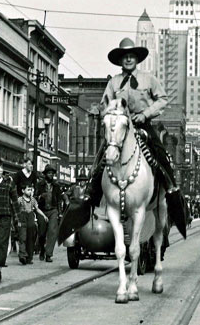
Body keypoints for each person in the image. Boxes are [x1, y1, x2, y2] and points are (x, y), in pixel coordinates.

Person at [60, 38, 187, 244]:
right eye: (124, 57)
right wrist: (109, 116)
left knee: (161, 156)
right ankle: (90, 192)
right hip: (119, 128)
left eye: (131, 56)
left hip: (142, 125)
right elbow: (103, 105)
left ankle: (170, 191)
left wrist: (145, 114)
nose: (128, 59)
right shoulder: (113, 82)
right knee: (102, 157)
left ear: (136, 59)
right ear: (120, 60)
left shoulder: (148, 79)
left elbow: (163, 99)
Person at [37, 165, 65, 262]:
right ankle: (42, 249)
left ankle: (49, 254)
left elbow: (59, 200)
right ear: (45, 174)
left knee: (52, 232)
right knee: (41, 233)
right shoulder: (39, 185)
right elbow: (34, 197)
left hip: (53, 210)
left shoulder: (56, 185)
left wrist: (60, 212)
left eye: (52, 173)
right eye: (49, 173)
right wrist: (41, 196)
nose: (51, 175)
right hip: (42, 210)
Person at [18, 183, 47, 265]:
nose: (30, 191)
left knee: (31, 238)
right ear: (23, 191)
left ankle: (29, 257)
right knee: (22, 238)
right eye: (28, 190)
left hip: (30, 219)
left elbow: (37, 209)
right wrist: (17, 221)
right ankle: (22, 256)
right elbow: (16, 210)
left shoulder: (33, 200)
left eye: (31, 190)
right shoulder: (19, 200)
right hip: (22, 219)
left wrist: (44, 216)